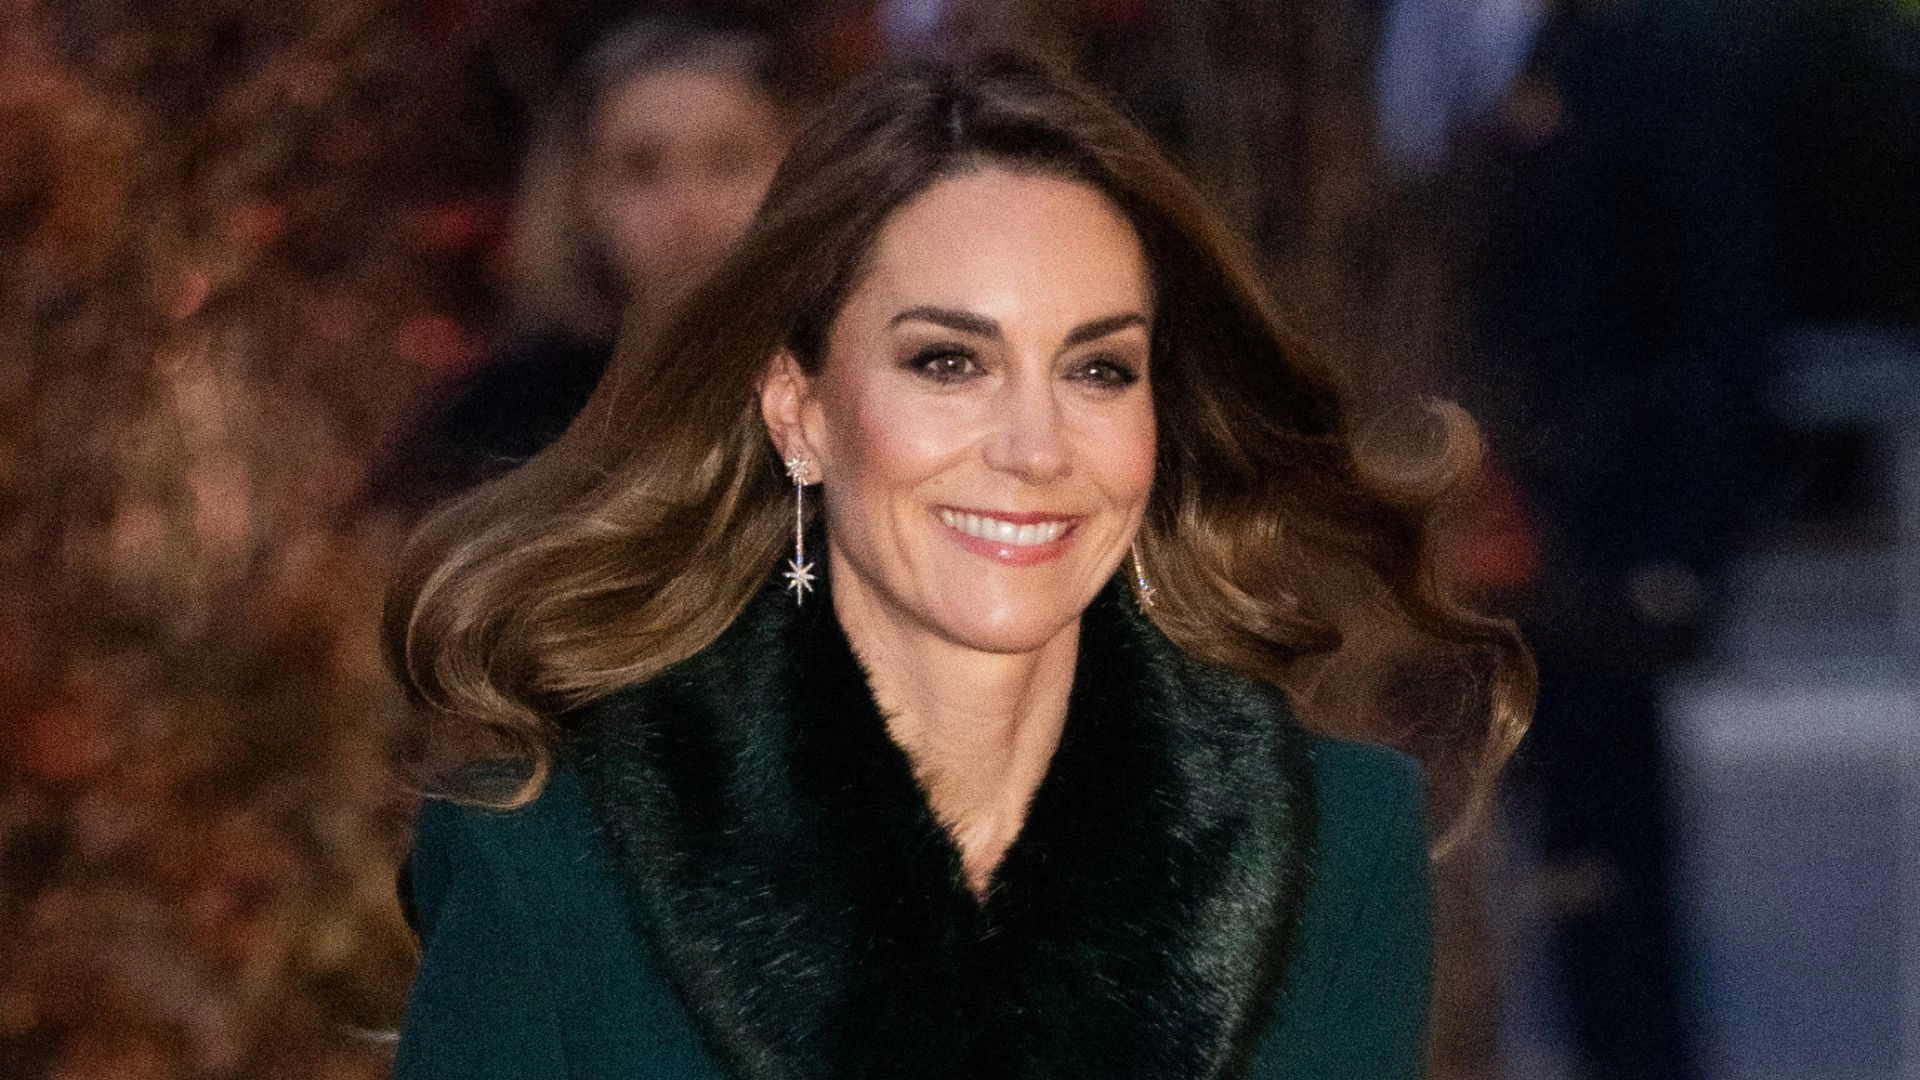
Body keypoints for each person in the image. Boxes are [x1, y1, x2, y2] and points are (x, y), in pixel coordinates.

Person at [384, 53, 1532, 1080]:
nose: (1035, 448)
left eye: (1098, 371)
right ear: (799, 411)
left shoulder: (1331, 847)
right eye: (948, 362)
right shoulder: (551, 869)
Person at [379, 13, 804, 506]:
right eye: (641, 170)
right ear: (581, 195)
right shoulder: (504, 421)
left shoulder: (847, 388)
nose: (687, 207)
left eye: (728, 162)